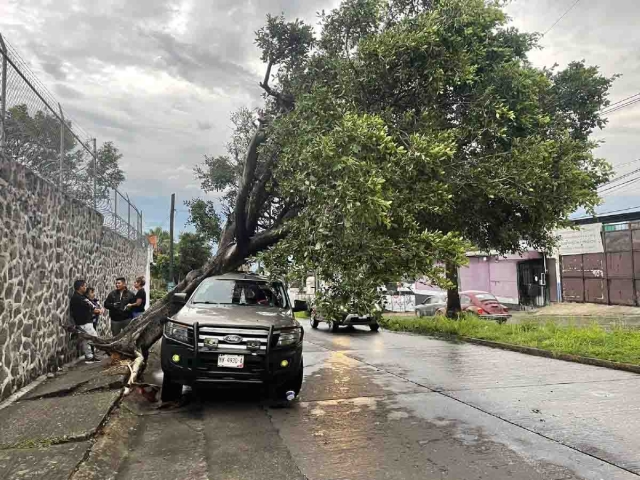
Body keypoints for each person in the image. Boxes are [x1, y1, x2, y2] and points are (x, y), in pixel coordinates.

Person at [70, 280, 102, 363]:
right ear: (80, 287)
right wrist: (97, 310)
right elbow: (91, 306)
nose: (85, 288)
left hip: (84, 322)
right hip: (84, 322)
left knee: (87, 340)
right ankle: (91, 356)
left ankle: (90, 356)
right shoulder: (78, 298)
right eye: (84, 286)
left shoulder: (80, 297)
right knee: (93, 338)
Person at [86, 287, 104, 357]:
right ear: (87, 294)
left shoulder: (95, 301)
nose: (93, 294)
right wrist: (98, 310)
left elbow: (101, 309)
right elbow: (94, 310)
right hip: (89, 322)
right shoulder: (87, 301)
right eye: (91, 293)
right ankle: (90, 354)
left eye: (93, 292)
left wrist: (100, 310)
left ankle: (93, 353)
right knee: (91, 338)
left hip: (94, 321)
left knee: (93, 338)